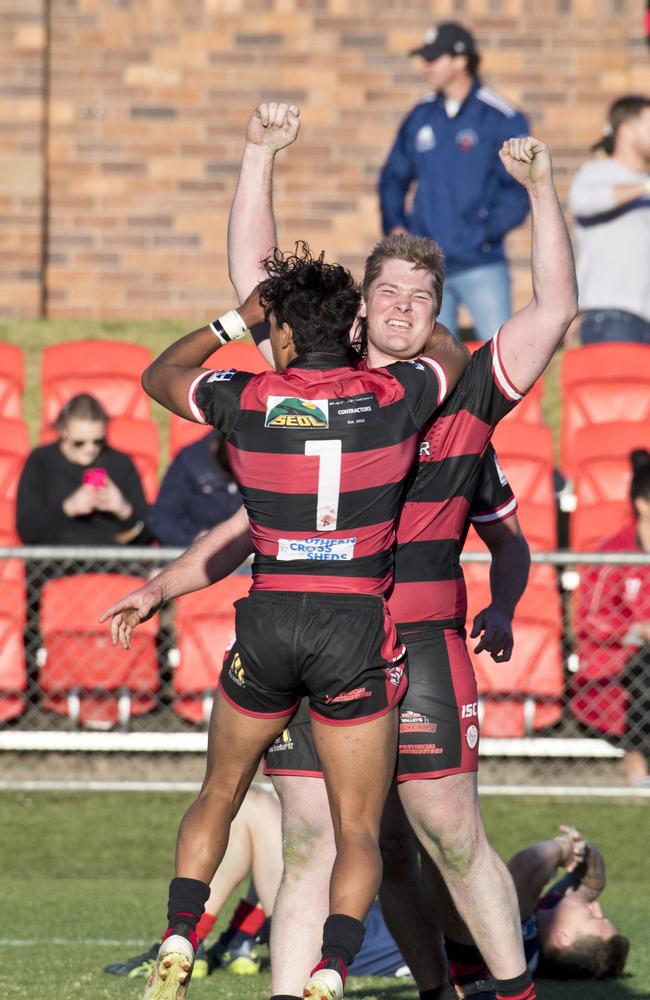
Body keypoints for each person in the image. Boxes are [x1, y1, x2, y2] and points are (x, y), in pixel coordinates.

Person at [104, 104, 576, 1000]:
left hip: (423, 640)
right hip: (331, 636)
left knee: (446, 831)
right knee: (321, 837)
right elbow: (261, 283)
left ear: (441, 312)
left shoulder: (468, 384)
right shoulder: (335, 388)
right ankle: (360, 989)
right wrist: (258, 158)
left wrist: (542, 191)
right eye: (387, 293)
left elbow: (554, 307)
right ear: (359, 307)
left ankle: (510, 990)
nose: (402, 308)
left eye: (421, 298)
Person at [134, 240, 466, 1000]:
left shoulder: (250, 400)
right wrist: (386, 329)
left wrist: (237, 321)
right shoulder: (397, 397)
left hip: (270, 620)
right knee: (357, 829)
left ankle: (183, 929)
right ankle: (332, 963)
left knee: (221, 792)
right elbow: (448, 349)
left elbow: (157, 376)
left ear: (280, 332)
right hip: (353, 625)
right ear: (350, 327)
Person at [378, 21, 530, 341]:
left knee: (499, 357)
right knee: (431, 360)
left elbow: (517, 190)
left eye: (434, 58)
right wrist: (396, 227)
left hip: (481, 262)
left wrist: (482, 233)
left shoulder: (499, 116)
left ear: (461, 60)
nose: (426, 66)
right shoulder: (421, 115)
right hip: (427, 268)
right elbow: (392, 178)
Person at [572, 448, 650, 786]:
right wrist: (636, 629)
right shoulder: (614, 553)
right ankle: (636, 770)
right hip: (621, 658)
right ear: (643, 504)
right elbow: (589, 618)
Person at [16, 393, 148, 548]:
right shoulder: (41, 461)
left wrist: (122, 508)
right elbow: (27, 531)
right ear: (63, 432)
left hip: (112, 559)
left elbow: (146, 535)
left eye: (98, 441)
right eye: (79, 443)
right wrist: (68, 508)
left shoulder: (120, 463)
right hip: (57, 561)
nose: (90, 449)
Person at [569, 94, 650, 345]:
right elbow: (583, 204)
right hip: (612, 316)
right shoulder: (595, 173)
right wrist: (644, 187)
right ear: (625, 131)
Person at [149, 429, 242, 546]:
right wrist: (193, 540)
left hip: (250, 554)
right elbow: (161, 518)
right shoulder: (189, 461)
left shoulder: (262, 462)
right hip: (193, 551)